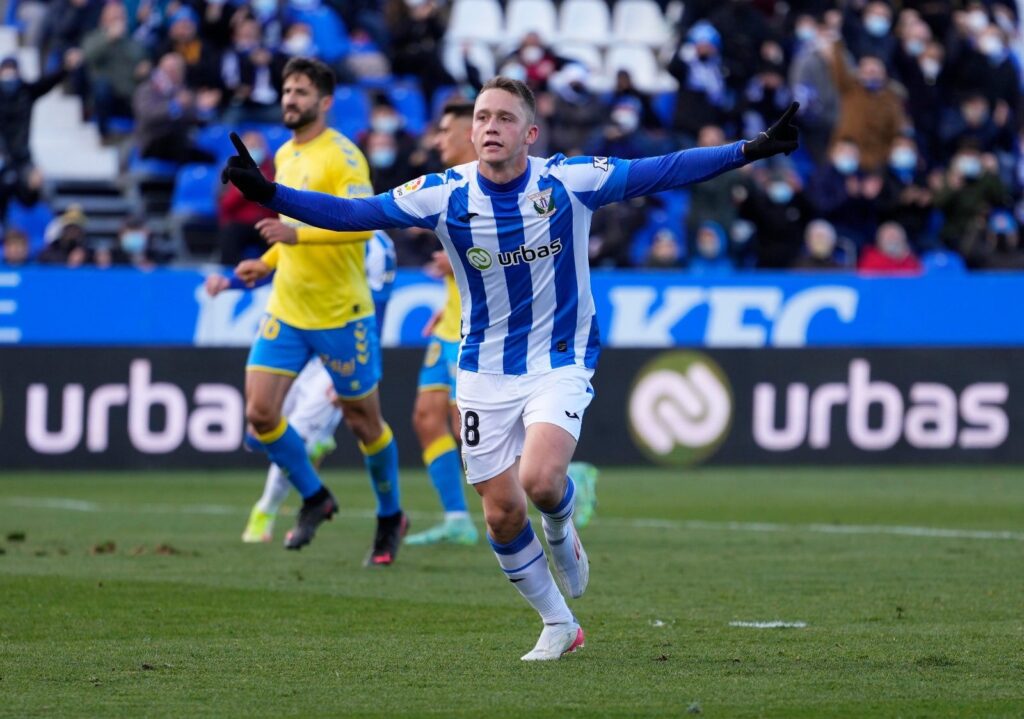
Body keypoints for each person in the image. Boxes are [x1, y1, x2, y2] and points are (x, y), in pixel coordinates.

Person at [223, 76, 799, 660]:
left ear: (529, 133)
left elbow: (665, 167)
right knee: (500, 514)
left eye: (502, 118)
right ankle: (558, 624)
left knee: (541, 482)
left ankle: (560, 520)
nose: (489, 127)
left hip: (559, 357)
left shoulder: (567, 181)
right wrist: (269, 195)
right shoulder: (444, 194)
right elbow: (354, 213)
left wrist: (748, 150)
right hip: (482, 368)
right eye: (481, 118)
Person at [228, 57, 407, 563]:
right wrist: (266, 262)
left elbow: (363, 225)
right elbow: (289, 233)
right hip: (287, 306)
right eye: (286, 90)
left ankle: (390, 515)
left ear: (325, 102)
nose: (290, 99)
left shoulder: (344, 158)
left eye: (301, 92)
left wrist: (294, 234)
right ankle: (315, 497)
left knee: (363, 423)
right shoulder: (284, 154)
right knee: (261, 413)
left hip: (341, 313)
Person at [205, 230, 397, 543]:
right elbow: (284, 263)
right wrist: (231, 283)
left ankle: (265, 511)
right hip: (296, 335)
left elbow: (379, 305)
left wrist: (366, 366)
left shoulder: (375, 244)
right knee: (258, 433)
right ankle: (313, 451)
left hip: (340, 346)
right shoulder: (306, 225)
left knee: (299, 431)